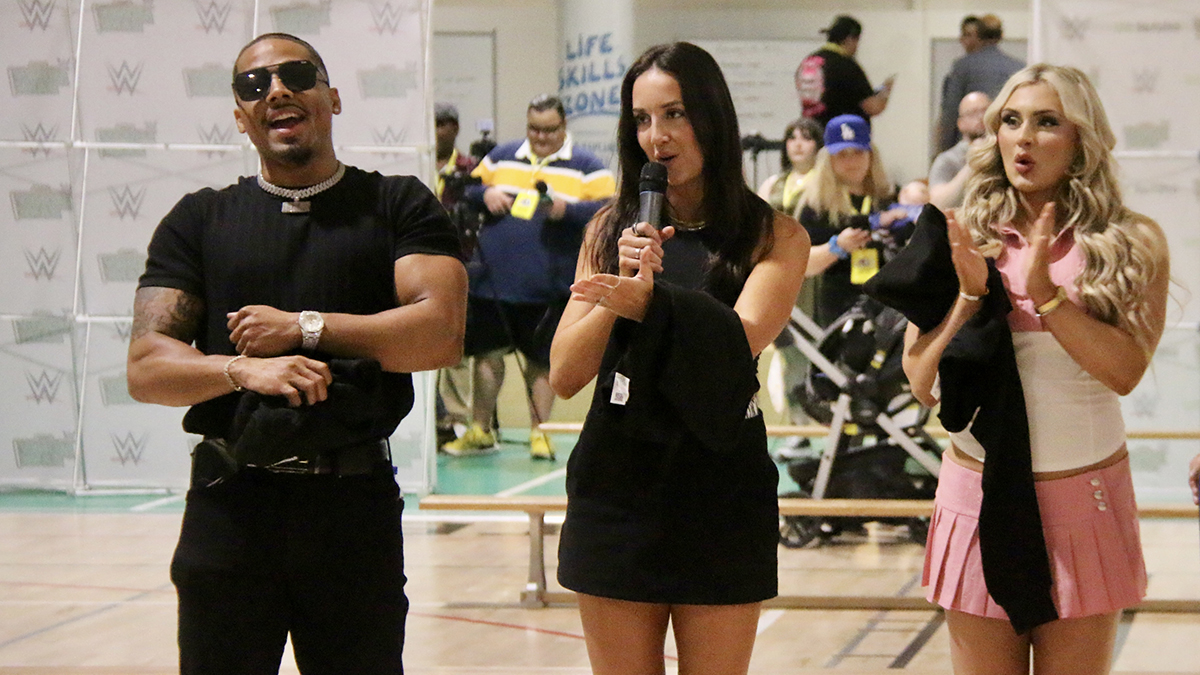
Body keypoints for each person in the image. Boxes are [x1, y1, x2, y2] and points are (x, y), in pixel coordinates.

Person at [126, 33, 467, 674]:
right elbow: (146, 367)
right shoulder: (198, 220)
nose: (276, 90)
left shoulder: (396, 205)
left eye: (296, 75)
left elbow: (439, 335)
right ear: (239, 117)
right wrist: (241, 367)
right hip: (230, 509)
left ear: (332, 96)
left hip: (352, 510)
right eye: (254, 86)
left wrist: (303, 329)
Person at [549, 42, 809, 675]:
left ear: (713, 118)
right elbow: (564, 374)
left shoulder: (775, 235)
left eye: (674, 114)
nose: (656, 137)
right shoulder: (610, 230)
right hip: (616, 488)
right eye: (641, 120)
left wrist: (652, 304)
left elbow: (739, 342)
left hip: (719, 490)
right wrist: (622, 292)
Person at [900, 64, 1169, 674]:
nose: (1024, 138)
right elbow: (919, 382)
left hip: (1087, 501)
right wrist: (969, 297)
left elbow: (1125, 372)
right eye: (1011, 121)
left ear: (1081, 138)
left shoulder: (1131, 241)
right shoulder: (958, 232)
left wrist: (1047, 297)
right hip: (977, 497)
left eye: (1048, 122)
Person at [444, 94, 615, 459]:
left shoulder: (588, 165)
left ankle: (541, 433)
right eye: (534, 129)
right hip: (494, 280)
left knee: (541, 361)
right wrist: (485, 192)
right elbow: (467, 188)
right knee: (486, 356)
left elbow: (608, 209)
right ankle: (479, 429)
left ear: (563, 126)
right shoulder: (502, 155)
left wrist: (569, 210)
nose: (540, 137)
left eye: (549, 130)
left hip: (549, 283)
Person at [794, 113, 895, 327]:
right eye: (841, 154)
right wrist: (837, 246)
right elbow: (803, 264)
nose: (851, 161)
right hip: (839, 308)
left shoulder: (888, 200)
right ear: (827, 160)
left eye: (858, 152)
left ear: (871, 155)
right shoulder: (816, 207)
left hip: (890, 306)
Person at [432, 101, 480, 447]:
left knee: (455, 348)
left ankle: (457, 420)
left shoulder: (470, 169)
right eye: (433, 124)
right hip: (413, 263)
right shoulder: (412, 164)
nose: (438, 131)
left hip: (458, 263)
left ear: (455, 128)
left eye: (444, 124)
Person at [936, 14, 1024, 152]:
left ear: (979, 35)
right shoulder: (1018, 67)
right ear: (1001, 35)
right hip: (1006, 145)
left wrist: (942, 151)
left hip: (970, 149)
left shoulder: (963, 66)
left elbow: (950, 113)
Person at [795, 15, 894, 130]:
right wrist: (886, 90)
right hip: (841, 138)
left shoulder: (809, 61)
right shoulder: (846, 65)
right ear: (850, 39)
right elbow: (874, 107)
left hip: (812, 134)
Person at [929, 91, 991, 210]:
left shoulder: (1005, 151)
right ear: (960, 123)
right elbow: (938, 205)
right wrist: (974, 161)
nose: (981, 117)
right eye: (972, 113)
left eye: (985, 111)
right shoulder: (947, 160)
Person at [756, 117, 824, 218]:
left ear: (818, 145)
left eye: (806, 138)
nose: (798, 144)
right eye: (792, 138)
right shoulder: (772, 183)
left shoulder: (826, 183)